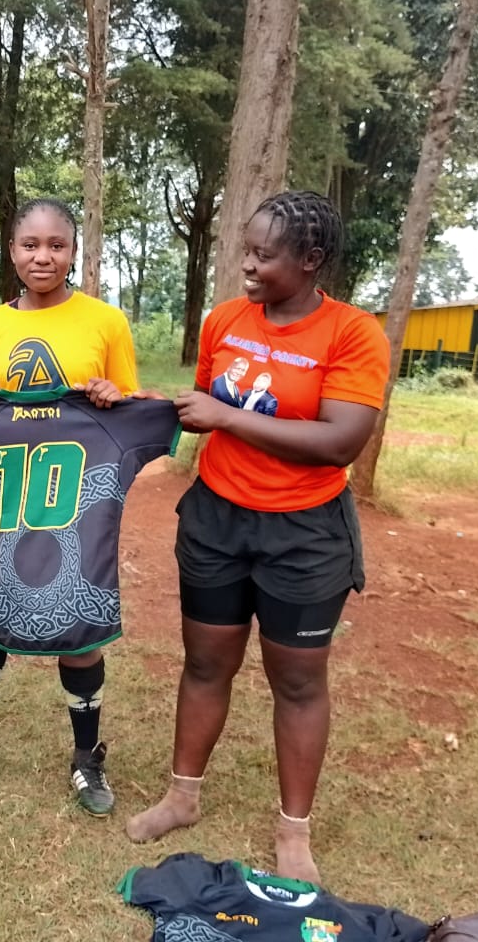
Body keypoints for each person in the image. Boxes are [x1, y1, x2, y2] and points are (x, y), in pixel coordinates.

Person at [125, 191, 390, 885]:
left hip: (305, 534)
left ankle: (293, 831)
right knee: (205, 664)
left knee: (299, 681)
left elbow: (340, 442)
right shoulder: (226, 322)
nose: (247, 265)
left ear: (311, 260)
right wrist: (130, 404)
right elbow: (203, 412)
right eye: (245, 250)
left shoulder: (353, 334)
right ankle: (182, 796)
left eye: (263, 256)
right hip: (217, 519)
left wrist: (226, 417)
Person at [0, 197, 142, 817]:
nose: (42, 256)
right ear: (13, 250)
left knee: (79, 627)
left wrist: (112, 394)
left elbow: (127, 409)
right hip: (3, 496)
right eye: (30, 244)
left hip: (74, 497)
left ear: (74, 251)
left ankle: (87, 756)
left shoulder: (106, 323)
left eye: (56, 245)